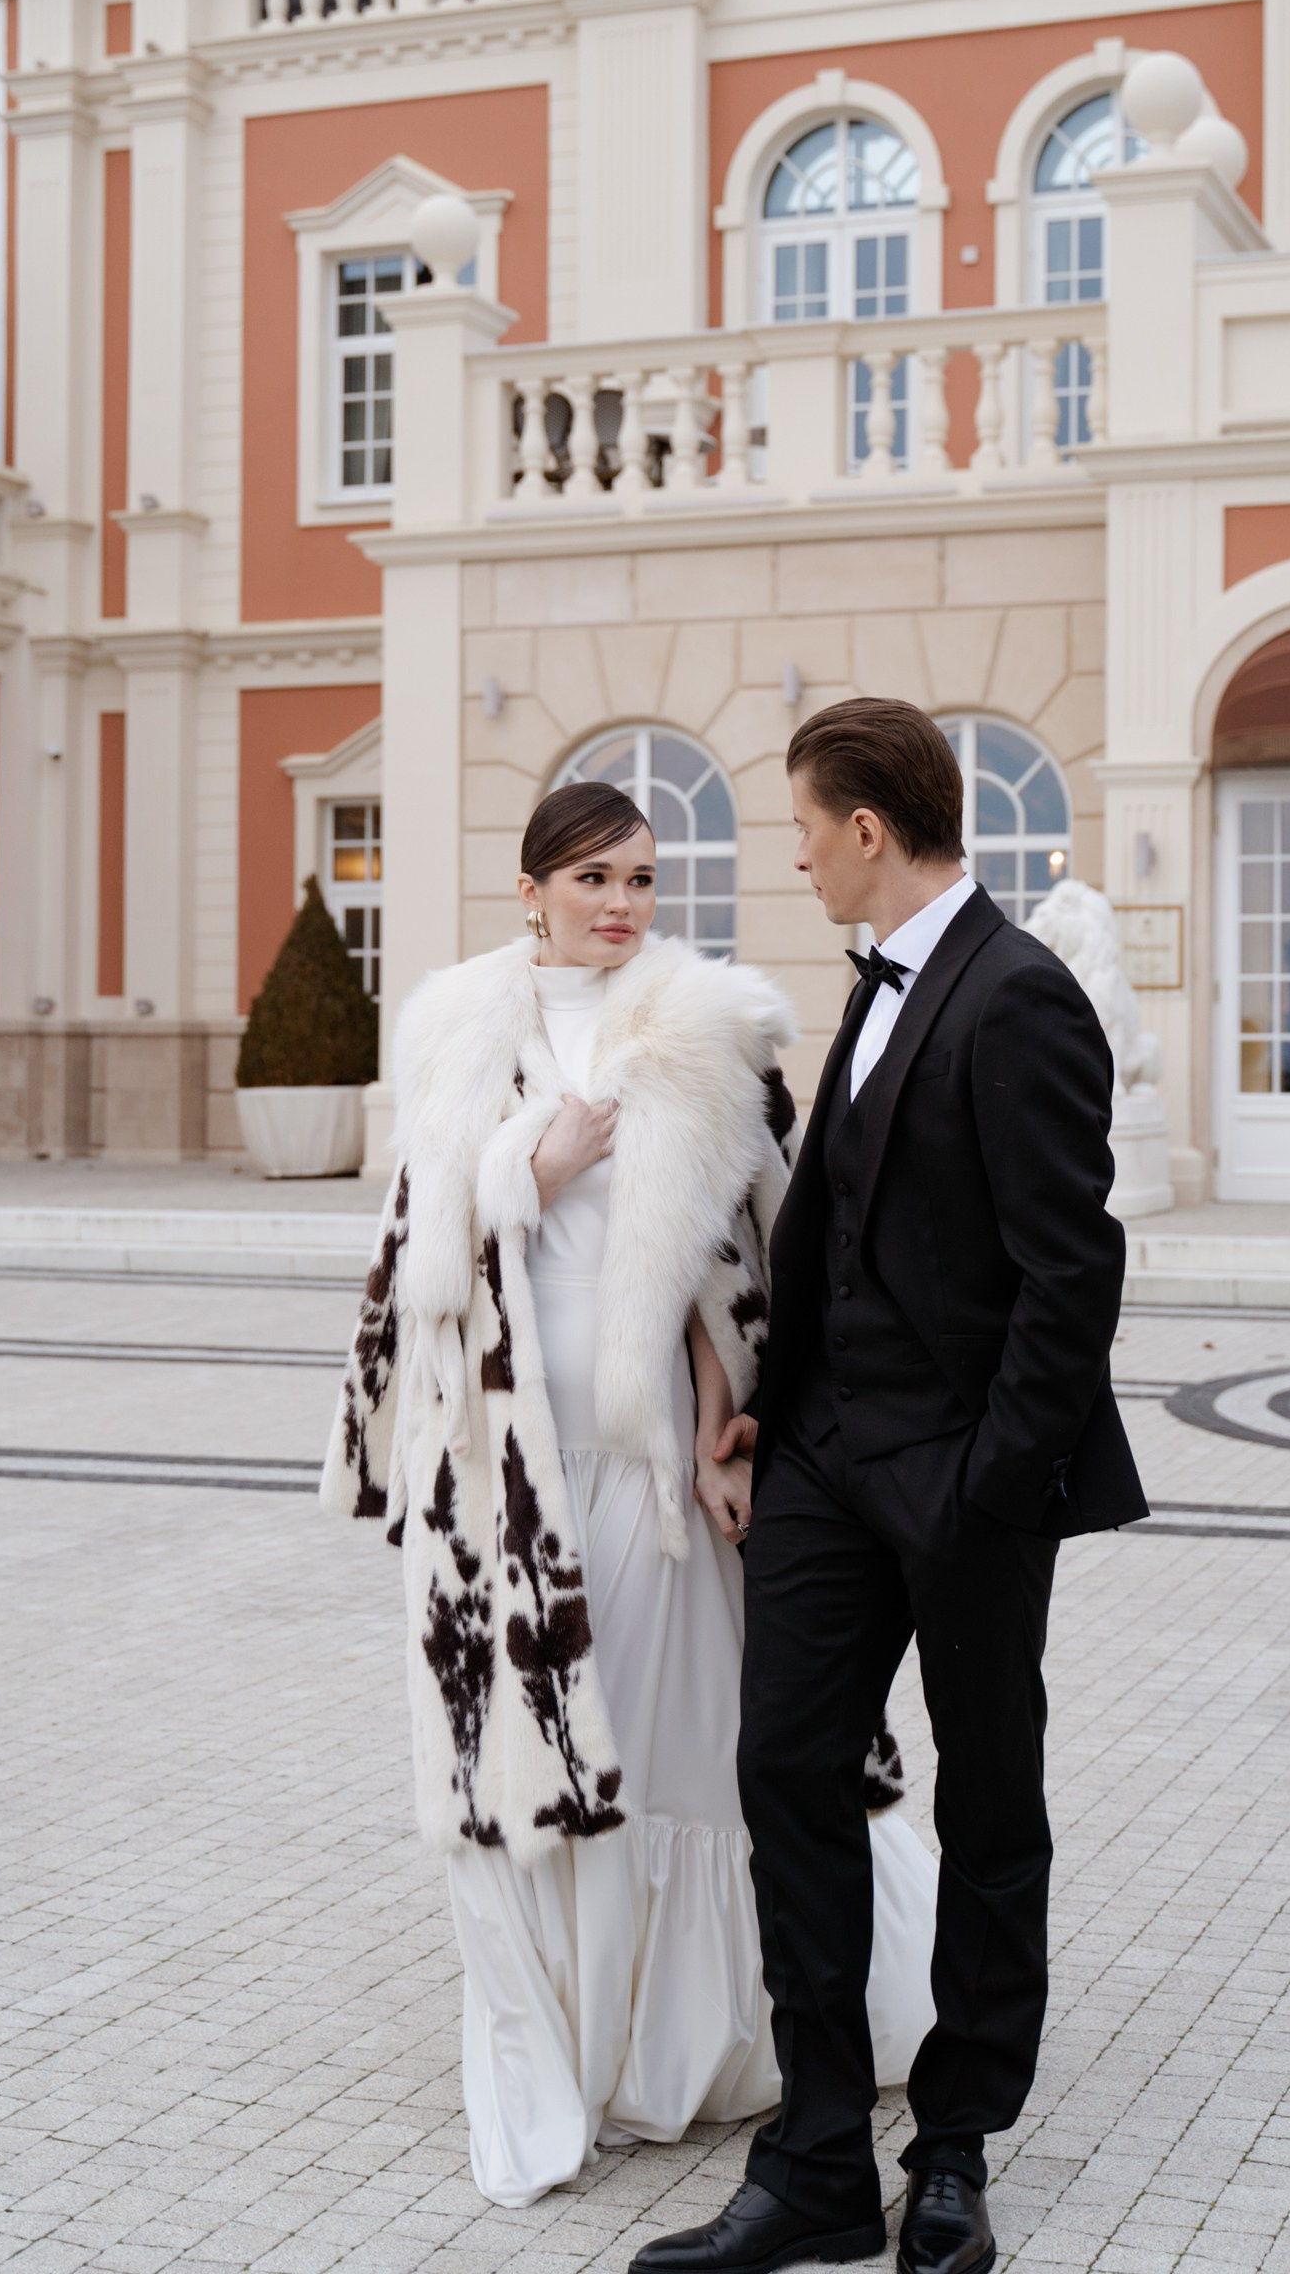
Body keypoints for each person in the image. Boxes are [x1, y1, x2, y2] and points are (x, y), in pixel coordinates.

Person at [322, 777, 940, 2208]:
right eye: (592, 878)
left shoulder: (706, 1026)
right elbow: (412, 1261)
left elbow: (754, 1255)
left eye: (641, 879)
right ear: (531, 888)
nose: (619, 904)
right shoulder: (456, 1027)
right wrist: (522, 1174)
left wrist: (729, 1426)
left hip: (653, 1463)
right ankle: (569, 2055)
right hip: (504, 1472)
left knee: (669, 1751)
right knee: (529, 1749)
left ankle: (689, 2048)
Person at [631, 699, 1147, 2274]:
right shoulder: (872, 989)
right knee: (787, 1770)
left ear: (867, 829)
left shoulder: (1022, 994)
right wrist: (766, 1415)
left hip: (964, 1483)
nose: (793, 856)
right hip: (821, 1464)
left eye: (803, 827)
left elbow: (1073, 1273)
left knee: (989, 1804)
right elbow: (834, 1228)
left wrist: (993, 1482)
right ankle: (814, 2164)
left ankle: (956, 2152)